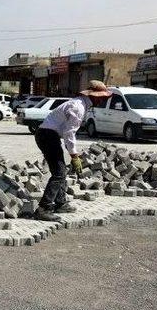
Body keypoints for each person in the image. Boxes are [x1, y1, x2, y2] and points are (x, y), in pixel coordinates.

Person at [34, 80, 112, 221]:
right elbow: (69, 133)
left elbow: (66, 132)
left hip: (47, 135)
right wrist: (74, 156)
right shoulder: (78, 107)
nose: (102, 100)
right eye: (101, 97)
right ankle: (43, 209)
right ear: (93, 96)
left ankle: (61, 203)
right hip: (48, 136)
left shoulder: (80, 103)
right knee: (58, 173)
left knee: (60, 171)